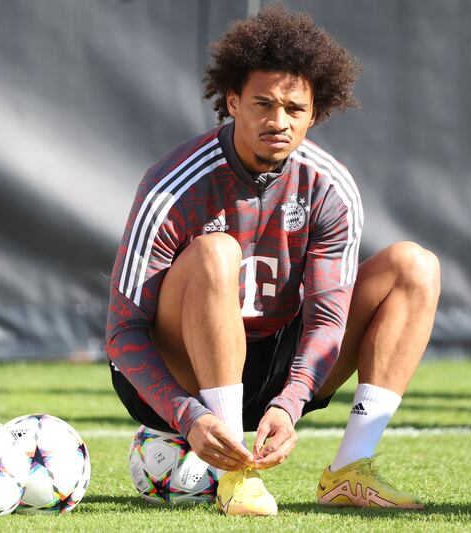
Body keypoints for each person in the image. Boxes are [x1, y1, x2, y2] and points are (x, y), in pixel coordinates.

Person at [106, 4, 440, 516]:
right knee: (217, 251)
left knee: (414, 266)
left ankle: (351, 469)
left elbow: (329, 316)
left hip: (278, 367)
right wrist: (187, 414)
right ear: (233, 102)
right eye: (263, 103)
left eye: (294, 109)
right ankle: (234, 473)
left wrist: (293, 399)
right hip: (185, 372)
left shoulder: (330, 186)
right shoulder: (172, 185)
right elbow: (123, 332)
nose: (278, 121)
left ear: (314, 114)